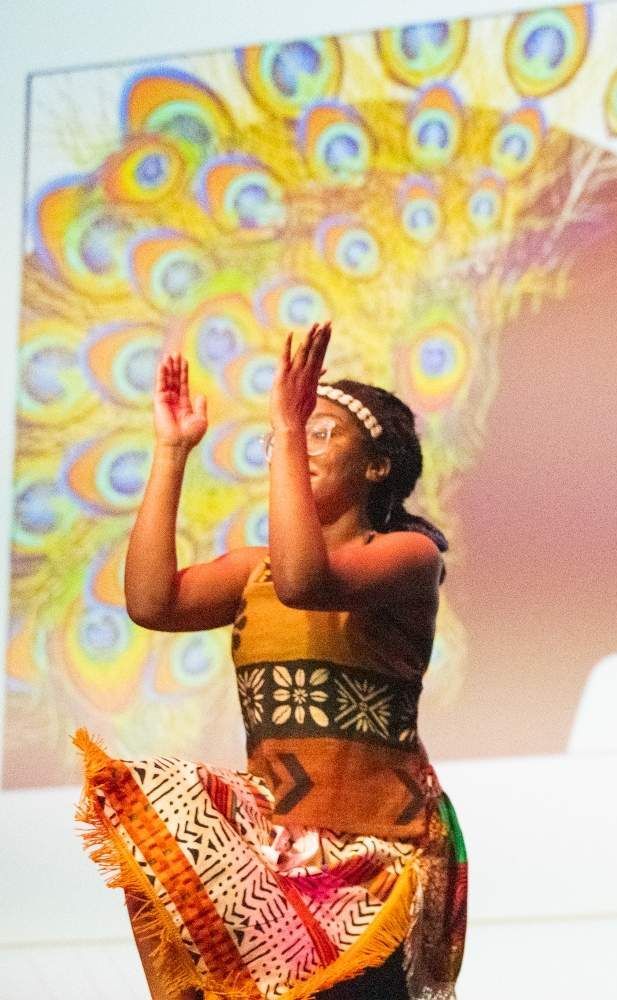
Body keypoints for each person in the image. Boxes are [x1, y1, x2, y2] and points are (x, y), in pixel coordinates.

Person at [76, 324, 466, 999]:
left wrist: (285, 428)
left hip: (373, 852)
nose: (300, 441)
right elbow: (151, 601)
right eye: (295, 432)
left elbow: (306, 582)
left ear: (378, 467)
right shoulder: (252, 571)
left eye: (324, 432)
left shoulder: (407, 557)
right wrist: (171, 452)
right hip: (278, 853)